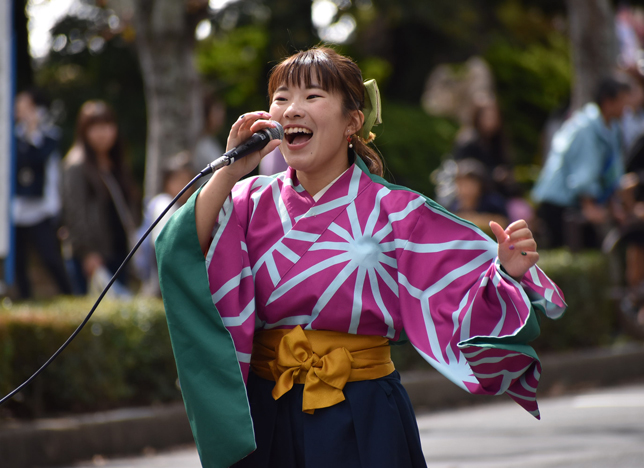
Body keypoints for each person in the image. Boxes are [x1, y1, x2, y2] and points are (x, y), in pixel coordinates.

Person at [156, 47, 566, 468]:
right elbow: (179, 247)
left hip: (364, 408)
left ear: (353, 121)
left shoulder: (397, 209)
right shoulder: (245, 199)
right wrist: (228, 171)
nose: (292, 110)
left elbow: (459, 293)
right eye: (281, 98)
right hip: (269, 407)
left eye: (313, 96)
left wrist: (506, 272)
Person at [532, 76, 630, 249]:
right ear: (608, 101)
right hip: (559, 202)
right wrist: (589, 206)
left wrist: (614, 203)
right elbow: (584, 170)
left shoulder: (612, 128)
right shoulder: (586, 127)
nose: (626, 106)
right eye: (622, 100)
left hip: (578, 201)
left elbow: (612, 170)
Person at [62, 100, 140, 295]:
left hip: (118, 250)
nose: (103, 133)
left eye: (107, 126)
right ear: (84, 131)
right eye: (95, 127)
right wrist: (87, 252)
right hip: (93, 256)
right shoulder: (77, 165)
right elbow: (74, 213)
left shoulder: (115, 162)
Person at [12, 89, 72, 299]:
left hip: (42, 208)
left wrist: (33, 130)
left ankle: (68, 295)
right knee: (18, 261)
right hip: (16, 209)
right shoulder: (13, 137)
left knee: (50, 257)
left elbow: (38, 159)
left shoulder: (50, 135)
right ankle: (23, 298)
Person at [135, 151, 197, 297]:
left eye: (187, 180)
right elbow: (162, 245)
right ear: (166, 182)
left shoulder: (181, 205)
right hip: (160, 270)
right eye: (178, 180)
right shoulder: (165, 204)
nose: (184, 186)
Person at [449, 158, 509, 232]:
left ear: (481, 185)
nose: (466, 189)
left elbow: (503, 223)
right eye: (461, 184)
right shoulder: (452, 204)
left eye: (470, 184)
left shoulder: (493, 202)